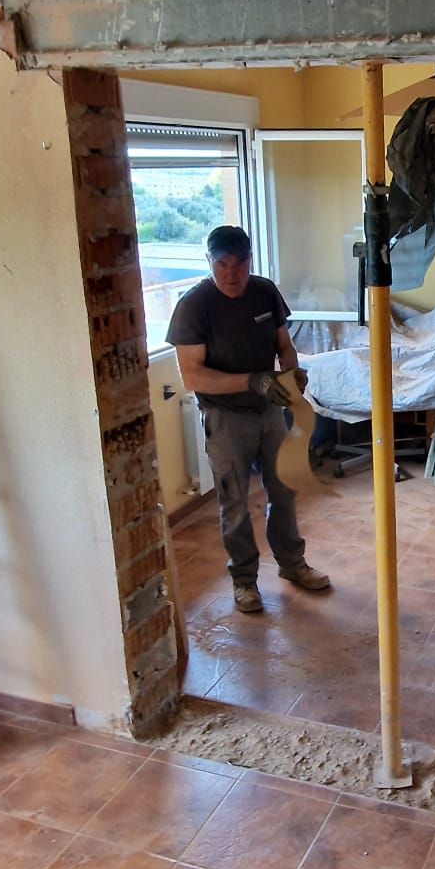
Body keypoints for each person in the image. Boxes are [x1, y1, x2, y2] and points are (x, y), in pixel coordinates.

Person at [167, 225, 331, 612]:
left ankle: (292, 565)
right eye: (221, 264)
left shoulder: (264, 291)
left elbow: (284, 345)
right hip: (225, 419)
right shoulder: (194, 306)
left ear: (249, 261)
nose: (231, 273)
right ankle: (244, 581)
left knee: (284, 491)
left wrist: (293, 373)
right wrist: (252, 381)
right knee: (235, 503)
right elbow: (192, 376)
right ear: (208, 262)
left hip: (270, 412)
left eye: (239, 263)